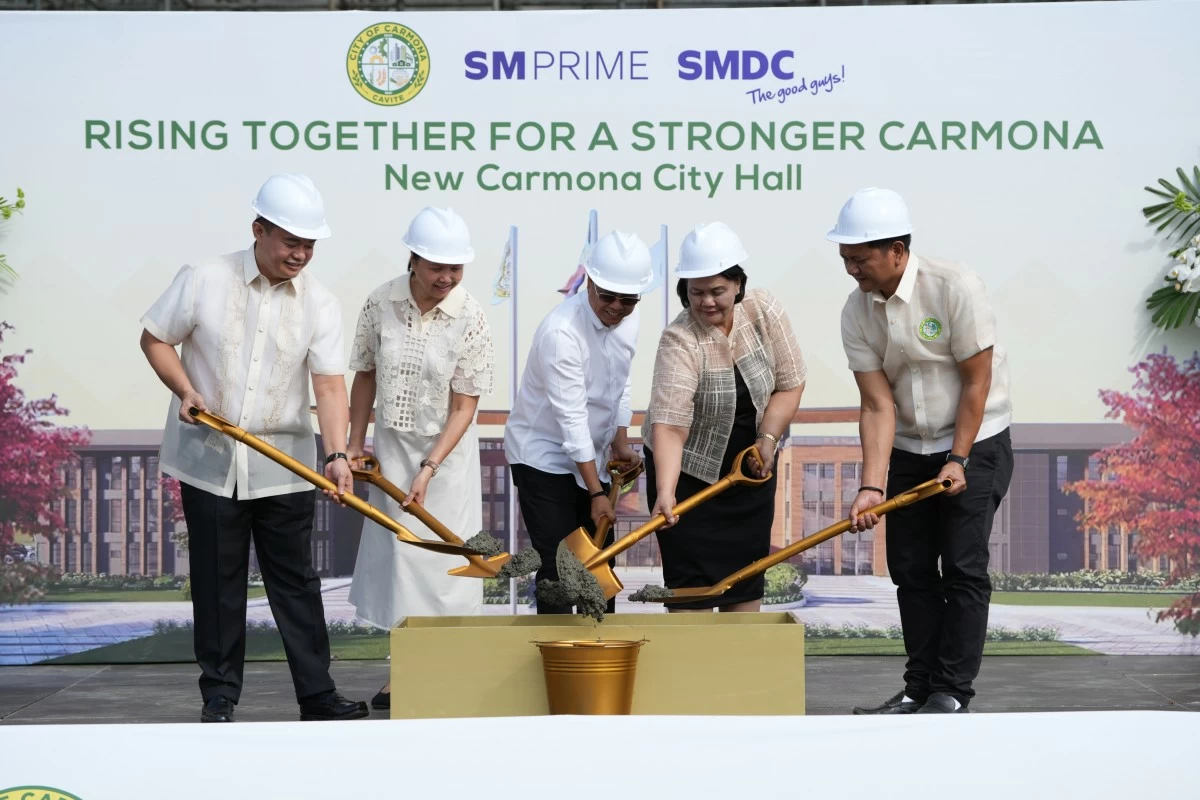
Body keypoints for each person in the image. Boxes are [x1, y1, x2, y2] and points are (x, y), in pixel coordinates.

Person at [139, 173, 368, 723]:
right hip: (209, 458)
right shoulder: (204, 278)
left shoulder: (322, 302)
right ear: (258, 229)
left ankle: (317, 695)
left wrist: (337, 454)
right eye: (291, 241)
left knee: (295, 581)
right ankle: (219, 695)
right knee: (218, 581)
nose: (301, 254)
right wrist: (186, 390)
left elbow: (330, 385)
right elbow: (154, 337)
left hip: (283, 464)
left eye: (310, 244)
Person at [830, 187, 1014, 715]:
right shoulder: (855, 311)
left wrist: (957, 459)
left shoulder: (955, 286)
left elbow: (976, 385)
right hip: (911, 447)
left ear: (897, 250)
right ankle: (919, 687)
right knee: (910, 568)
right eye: (845, 259)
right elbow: (876, 404)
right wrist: (871, 485)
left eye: (860, 259)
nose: (852, 270)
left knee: (961, 565)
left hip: (975, 441)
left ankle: (951, 692)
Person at [345, 206, 494, 711]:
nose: (447, 278)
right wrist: (353, 443)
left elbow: (464, 404)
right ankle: (402, 674)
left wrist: (430, 468)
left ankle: (455, 670)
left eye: (456, 268)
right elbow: (364, 375)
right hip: (390, 449)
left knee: (447, 562)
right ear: (413, 259)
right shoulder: (379, 302)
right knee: (401, 561)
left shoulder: (471, 315)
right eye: (437, 267)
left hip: (447, 459)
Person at [644, 222, 807, 613]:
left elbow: (790, 383)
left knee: (745, 581)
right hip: (688, 477)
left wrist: (767, 441)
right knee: (692, 591)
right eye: (696, 292)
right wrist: (667, 492)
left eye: (717, 291)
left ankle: (740, 671)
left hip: (750, 470)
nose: (707, 302)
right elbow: (669, 425)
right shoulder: (679, 339)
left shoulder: (763, 310)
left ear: (738, 284)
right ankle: (691, 670)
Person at [504, 230, 653, 615]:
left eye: (629, 300)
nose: (617, 307)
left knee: (601, 565)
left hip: (593, 455)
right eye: (608, 296)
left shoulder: (629, 323)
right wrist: (596, 492)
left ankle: (603, 657)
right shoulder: (561, 333)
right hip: (543, 456)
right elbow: (571, 421)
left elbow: (621, 382)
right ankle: (556, 666)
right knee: (558, 568)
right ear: (589, 280)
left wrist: (620, 442)